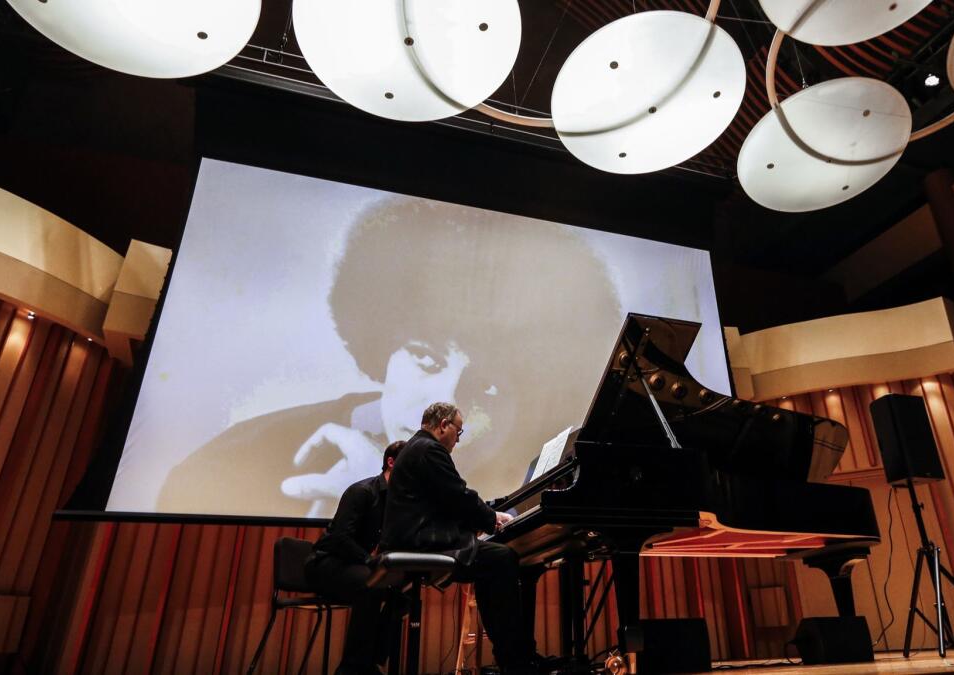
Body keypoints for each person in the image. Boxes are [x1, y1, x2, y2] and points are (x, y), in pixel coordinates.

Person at [156, 196, 621, 518]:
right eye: (425, 358)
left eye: (486, 386)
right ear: (382, 351)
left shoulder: (543, 474)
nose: (444, 402)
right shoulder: (237, 457)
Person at [381, 402, 536, 673]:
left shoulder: (416, 448)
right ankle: (516, 659)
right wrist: (491, 518)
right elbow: (458, 495)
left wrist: (481, 519)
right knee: (502, 558)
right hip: (420, 542)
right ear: (443, 426)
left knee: (492, 560)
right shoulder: (430, 450)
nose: (457, 440)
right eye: (459, 432)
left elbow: (444, 500)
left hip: (412, 538)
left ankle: (512, 655)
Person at [304, 440, 405, 675]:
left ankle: (372, 662)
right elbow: (340, 538)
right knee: (372, 585)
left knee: (401, 593)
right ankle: (352, 668)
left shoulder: (396, 502)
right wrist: (371, 561)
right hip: (325, 563)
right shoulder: (362, 491)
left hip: (352, 565)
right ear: (391, 462)